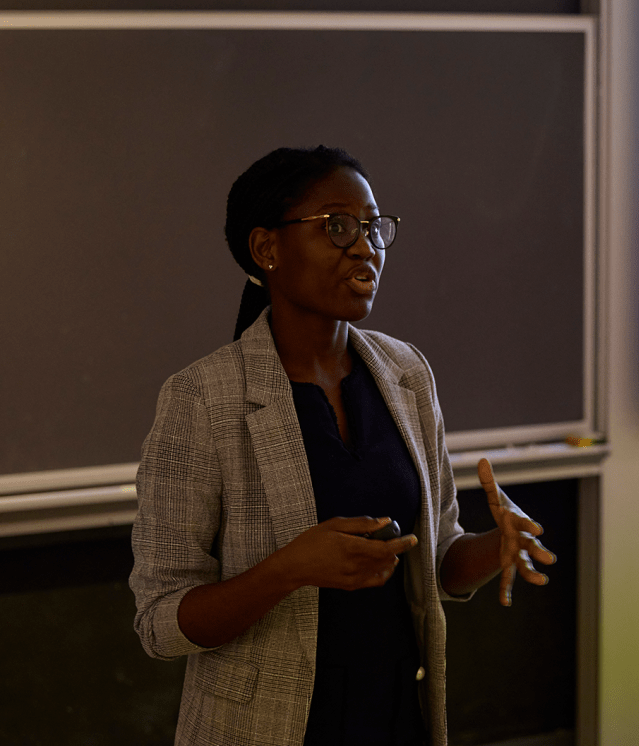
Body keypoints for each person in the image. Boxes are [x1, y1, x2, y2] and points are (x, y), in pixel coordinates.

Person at [130, 146, 556, 746]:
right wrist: (287, 571)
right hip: (267, 729)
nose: (365, 247)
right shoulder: (203, 399)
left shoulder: (406, 373)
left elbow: (432, 564)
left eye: (374, 227)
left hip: (397, 719)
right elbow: (161, 625)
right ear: (267, 250)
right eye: (337, 227)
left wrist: (494, 548)